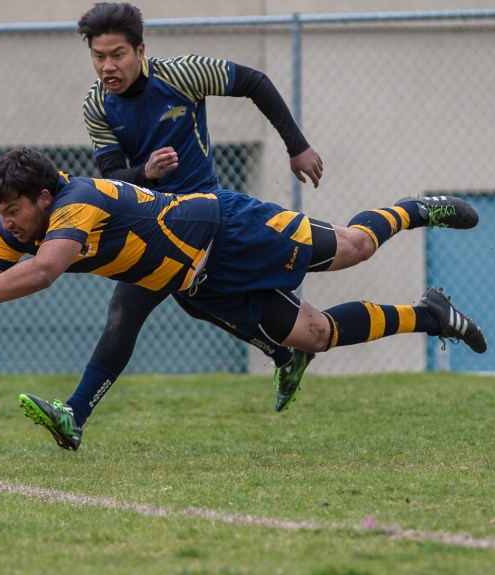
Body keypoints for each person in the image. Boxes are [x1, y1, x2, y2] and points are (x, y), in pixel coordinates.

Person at [0, 148, 487, 451]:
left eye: (13, 211)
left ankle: (416, 208)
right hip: (199, 281)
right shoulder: (17, 225)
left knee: (354, 248)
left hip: (227, 229)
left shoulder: (77, 202)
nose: (6, 224)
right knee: (315, 335)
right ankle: (431, 314)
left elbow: (43, 273)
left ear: (43, 198)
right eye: (0, 215)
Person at [77, 2, 326, 412]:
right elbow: (112, 177)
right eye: (98, 56)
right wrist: (147, 173)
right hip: (146, 219)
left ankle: (75, 412)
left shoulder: (182, 73)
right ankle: (286, 353)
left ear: (140, 51)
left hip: (204, 214)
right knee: (188, 302)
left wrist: (296, 146)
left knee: (140, 304)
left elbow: (255, 82)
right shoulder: (97, 105)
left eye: (117, 55)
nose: (108, 67)